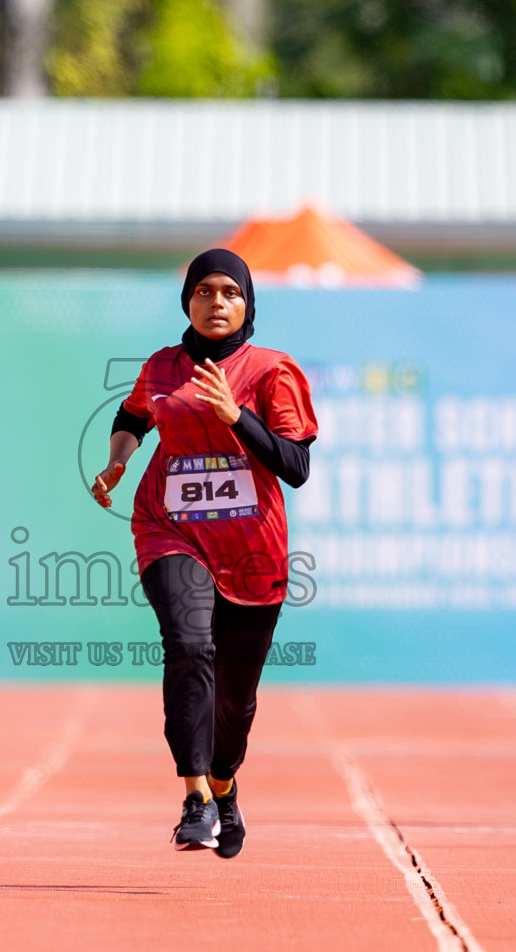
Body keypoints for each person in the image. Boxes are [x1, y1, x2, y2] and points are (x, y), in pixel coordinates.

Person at [92, 249, 317, 858]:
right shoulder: (163, 367)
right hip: (170, 528)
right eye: (204, 292)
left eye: (230, 293)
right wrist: (119, 461)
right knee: (189, 645)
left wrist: (235, 416)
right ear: (187, 301)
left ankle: (222, 783)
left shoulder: (273, 371)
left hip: (251, 550)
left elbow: (294, 466)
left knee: (235, 700)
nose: (216, 303)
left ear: (247, 304)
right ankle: (194, 799)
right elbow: (132, 415)